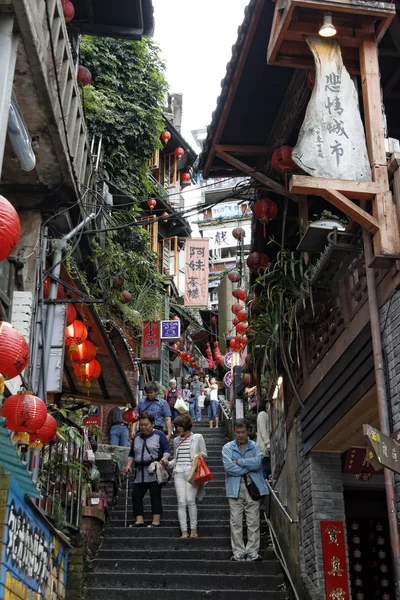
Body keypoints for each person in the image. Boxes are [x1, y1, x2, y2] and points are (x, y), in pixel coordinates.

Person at [222, 418, 268, 562]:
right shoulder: (227, 448)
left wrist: (240, 462)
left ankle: (252, 552)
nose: (240, 435)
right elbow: (228, 467)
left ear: (248, 432)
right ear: (234, 432)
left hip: (253, 487)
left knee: (253, 521)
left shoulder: (255, 446)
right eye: (237, 432)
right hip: (235, 488)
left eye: (243, 432)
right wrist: (247, 467)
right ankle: (238, 553)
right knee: (235, 522)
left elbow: (257, 463)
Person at [124, 412, 171, 527]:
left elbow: (167, 449)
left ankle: (156, 521)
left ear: (153, 424)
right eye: (141, 425)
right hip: (140, 472)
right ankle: (139, 519)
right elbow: (132, 454)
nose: (143, 427)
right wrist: (128, 465)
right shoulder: (137, 438)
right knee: (136, 495)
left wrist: (164, 458)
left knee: (155, 495)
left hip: (154, 470)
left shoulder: (159, 435)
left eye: (146, 425)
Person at [169, 414, 207, 539]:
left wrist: (199, 454)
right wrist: (167, 463)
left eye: (180, 426)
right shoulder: (176, 440)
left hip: (192, 471)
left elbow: (205, 454)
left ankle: (193, 529)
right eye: (177, 426)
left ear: (186, 425)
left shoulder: (197, 437)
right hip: (178, 472)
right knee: (181, 502)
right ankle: (184, 531)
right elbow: (176, 458)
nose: (178, 428)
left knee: (190, 500)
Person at [257, 401, 271, 481]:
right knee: (264, 470)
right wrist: (268, 444)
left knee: (266, 470)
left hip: (265, 450)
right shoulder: (262, 414)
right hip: (264, 449)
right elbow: (263, 430)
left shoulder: (265, 415)